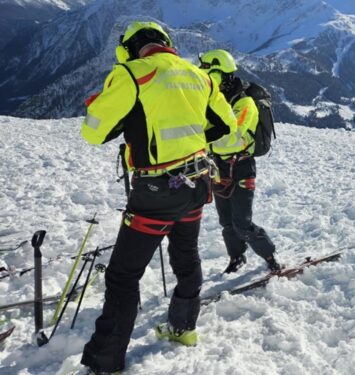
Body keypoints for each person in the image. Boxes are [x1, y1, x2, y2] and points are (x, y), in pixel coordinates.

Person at [79, 22, 237, 373]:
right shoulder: (201, 76)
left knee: (123, 275)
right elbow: (226, 127)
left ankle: (106, 359)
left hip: (155, 190)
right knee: (186, 256)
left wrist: (112, 114)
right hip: (197, 183)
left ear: (131, 48)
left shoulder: (131, 74)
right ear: (166, 43)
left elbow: (93, 132)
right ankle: (183, 329)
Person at [197, 49, 282, 274]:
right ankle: (236, 257)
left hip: (241, 166)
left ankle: (270, 255)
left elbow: (233, 137)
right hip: (218, 166)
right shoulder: (212, 99)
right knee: (226, 221)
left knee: (242, 223)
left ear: (218, 73)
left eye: (207, 71)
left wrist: (203, 136)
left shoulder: (245, 103)